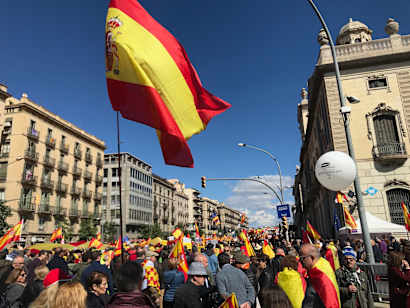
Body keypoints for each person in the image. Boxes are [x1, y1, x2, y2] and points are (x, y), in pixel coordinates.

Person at [300, 244, 340, 308]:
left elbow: (331, 302)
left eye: (302, 258)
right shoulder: (323, 264)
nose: (301, 262)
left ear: (312, 257)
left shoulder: (320, 275)